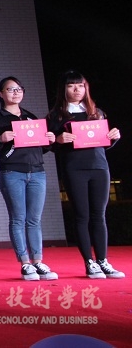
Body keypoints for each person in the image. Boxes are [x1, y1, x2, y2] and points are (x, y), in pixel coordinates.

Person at [46, 70, 124, 279]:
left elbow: (102, 144)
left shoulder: (97, 113)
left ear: (86, 88)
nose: (76, 89)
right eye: (71, 85)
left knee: (99, 215)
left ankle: (103, 261)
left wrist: (113, 137)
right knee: (82, 215)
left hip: (99, 167)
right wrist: (58, 140)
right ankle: (89, 262)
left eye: (80, 85)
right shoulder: (56, 116)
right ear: (63, 89)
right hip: (74, 169)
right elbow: (48, 144)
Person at [0, 77, 59, 281]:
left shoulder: (30, 117)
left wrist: (49, 141)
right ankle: (25, 263)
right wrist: (0, 139)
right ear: (1, 94)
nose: (15, 92)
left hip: (37, 172)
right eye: (10, 89)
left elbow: (40, 147)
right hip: (12, 172)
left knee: (34, 219)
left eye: (19, 89)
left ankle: (38, 261)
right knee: (18, 218)